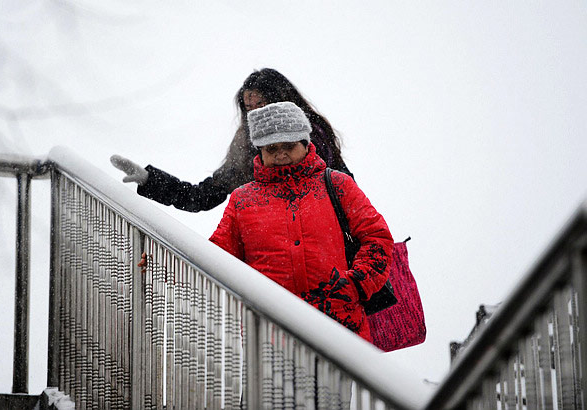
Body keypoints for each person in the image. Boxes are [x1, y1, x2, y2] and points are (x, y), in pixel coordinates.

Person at [209, 101, 393, 342]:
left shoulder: (338, 185)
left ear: (306, 143)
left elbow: (377, 237)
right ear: (259, 151)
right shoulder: (242, 200)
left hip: (339, 331)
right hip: (270, 332)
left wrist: (357, 284)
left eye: (289, 145)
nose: (281, 154)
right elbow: (213, 257)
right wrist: (162, 267)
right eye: (271, 148)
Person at [110, 68, 353, 212]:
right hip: (269, 252)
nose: (256, 114)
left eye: (261, 104)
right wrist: (150, 180)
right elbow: (202, 195)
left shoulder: (312, 133)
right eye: (249, 108)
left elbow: (346, 191)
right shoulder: (246, 146)